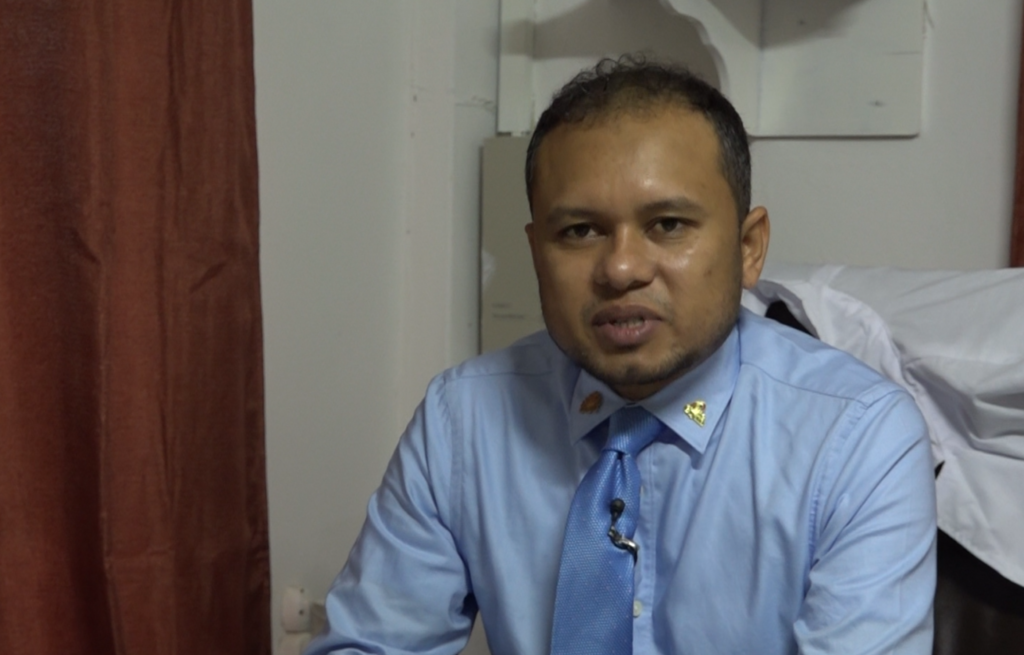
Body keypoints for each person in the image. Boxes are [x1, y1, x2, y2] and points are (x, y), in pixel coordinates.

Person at [306, 56, 937, 655]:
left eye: (668, 225)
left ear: (749, 247)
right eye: (579, 231)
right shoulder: (462, 420)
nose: (621, 269)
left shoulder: (857, 439)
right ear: (536, 252)